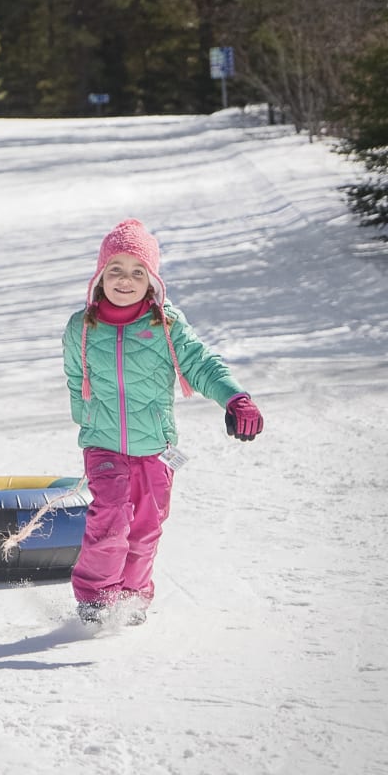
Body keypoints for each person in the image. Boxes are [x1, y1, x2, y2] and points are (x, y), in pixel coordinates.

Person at [62, 218, 264, 626]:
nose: (125, 280)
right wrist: (86, 422)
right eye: (115, 269)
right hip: (103, 445)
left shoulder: (166, 325)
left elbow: (202, 364)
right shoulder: (81, 327)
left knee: (145, 529)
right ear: (99, 276)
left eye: (138, 271)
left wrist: (236, 397)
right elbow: (75, 378)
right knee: (111, 519)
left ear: (152, 280)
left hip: (156, 448)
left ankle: (132, 599)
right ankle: (96, 602)